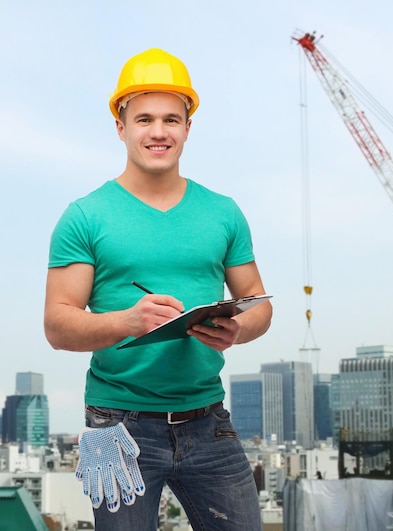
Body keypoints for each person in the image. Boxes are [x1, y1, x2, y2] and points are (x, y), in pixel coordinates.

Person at [44, 48, 272, 530]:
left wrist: (237, 329)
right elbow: (58, 325)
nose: (158, 131)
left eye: (172, 118)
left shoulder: (223, 212)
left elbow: (258, 303)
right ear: (120, 126)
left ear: (188, 127)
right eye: (144, 118)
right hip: (118, 425)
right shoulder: (85, 216)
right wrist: (127, 321)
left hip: (208, 419)